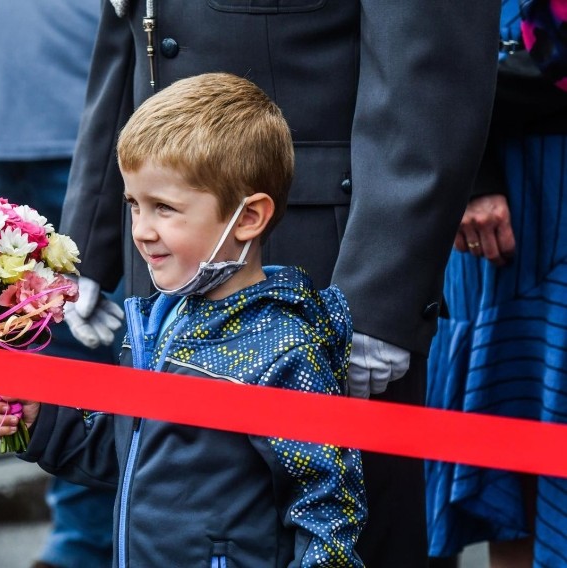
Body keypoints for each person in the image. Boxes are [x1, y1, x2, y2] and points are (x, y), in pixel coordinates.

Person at [58, 3, 501, 566]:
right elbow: (127, 41)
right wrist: (88, 238)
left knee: (343, 527)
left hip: (319, 255)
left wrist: (380, 294)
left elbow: (431, 66)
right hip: (167, 243)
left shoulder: (305, 334)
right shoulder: (150, 230)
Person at [0, 72, 368, 567]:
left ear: (248, 218)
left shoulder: (285, 348)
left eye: (164, 208)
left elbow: (328, 510)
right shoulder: (161, 322)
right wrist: (43, 422)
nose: (141, 231)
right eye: (134, 206)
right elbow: (131, 455)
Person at [0, 2, 116, 566]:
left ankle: (83, 542)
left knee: (87, 346)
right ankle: (78, 536)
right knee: (12, 352)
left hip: (87, 139)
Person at [425, 1, 567, 566]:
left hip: (537, 168)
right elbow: (417, 51)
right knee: (511, 434)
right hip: (497, 202)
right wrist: (470, 167)